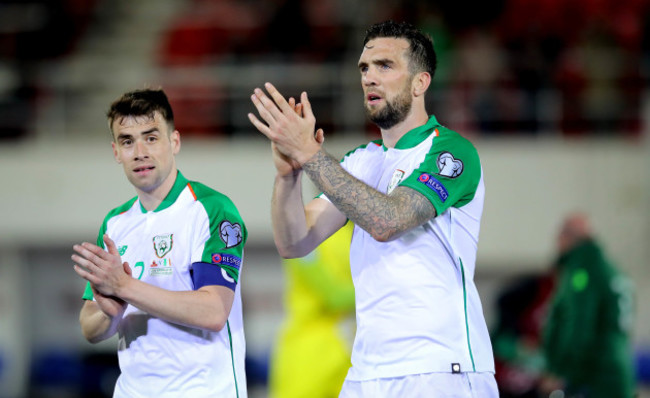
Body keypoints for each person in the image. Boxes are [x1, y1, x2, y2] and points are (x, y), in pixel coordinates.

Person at [248, 20, 498, 397]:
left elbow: (389, 219)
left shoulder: (450, 151)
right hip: (367, 372)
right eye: (364, 68)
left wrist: (310, 153)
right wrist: (288, 177)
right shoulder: (360, 161)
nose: (369, 78)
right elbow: (294, 242)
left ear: (420, 82)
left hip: (441, 369)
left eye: (385, 66)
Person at [72, 89, 248, 398]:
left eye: (151, 138)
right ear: (116, 152)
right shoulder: (114, 223)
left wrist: (124, 287)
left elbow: (214, 311)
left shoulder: (212, 209)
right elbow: (89, 326)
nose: (140, 151)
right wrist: (108, 313)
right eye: (128, 141)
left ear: (175, 141)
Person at [540, 213, 636, 398]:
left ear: (567, 237)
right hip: (617, 371)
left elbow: (579, 324)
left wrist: (563, 370)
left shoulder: (582, 272)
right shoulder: (609, 268)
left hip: (594, 376)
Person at [269, 221, 355, 398]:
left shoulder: (356, 232)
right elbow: (333, 297)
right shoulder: (302, 231)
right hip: (310, 353)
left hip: (347, 348)